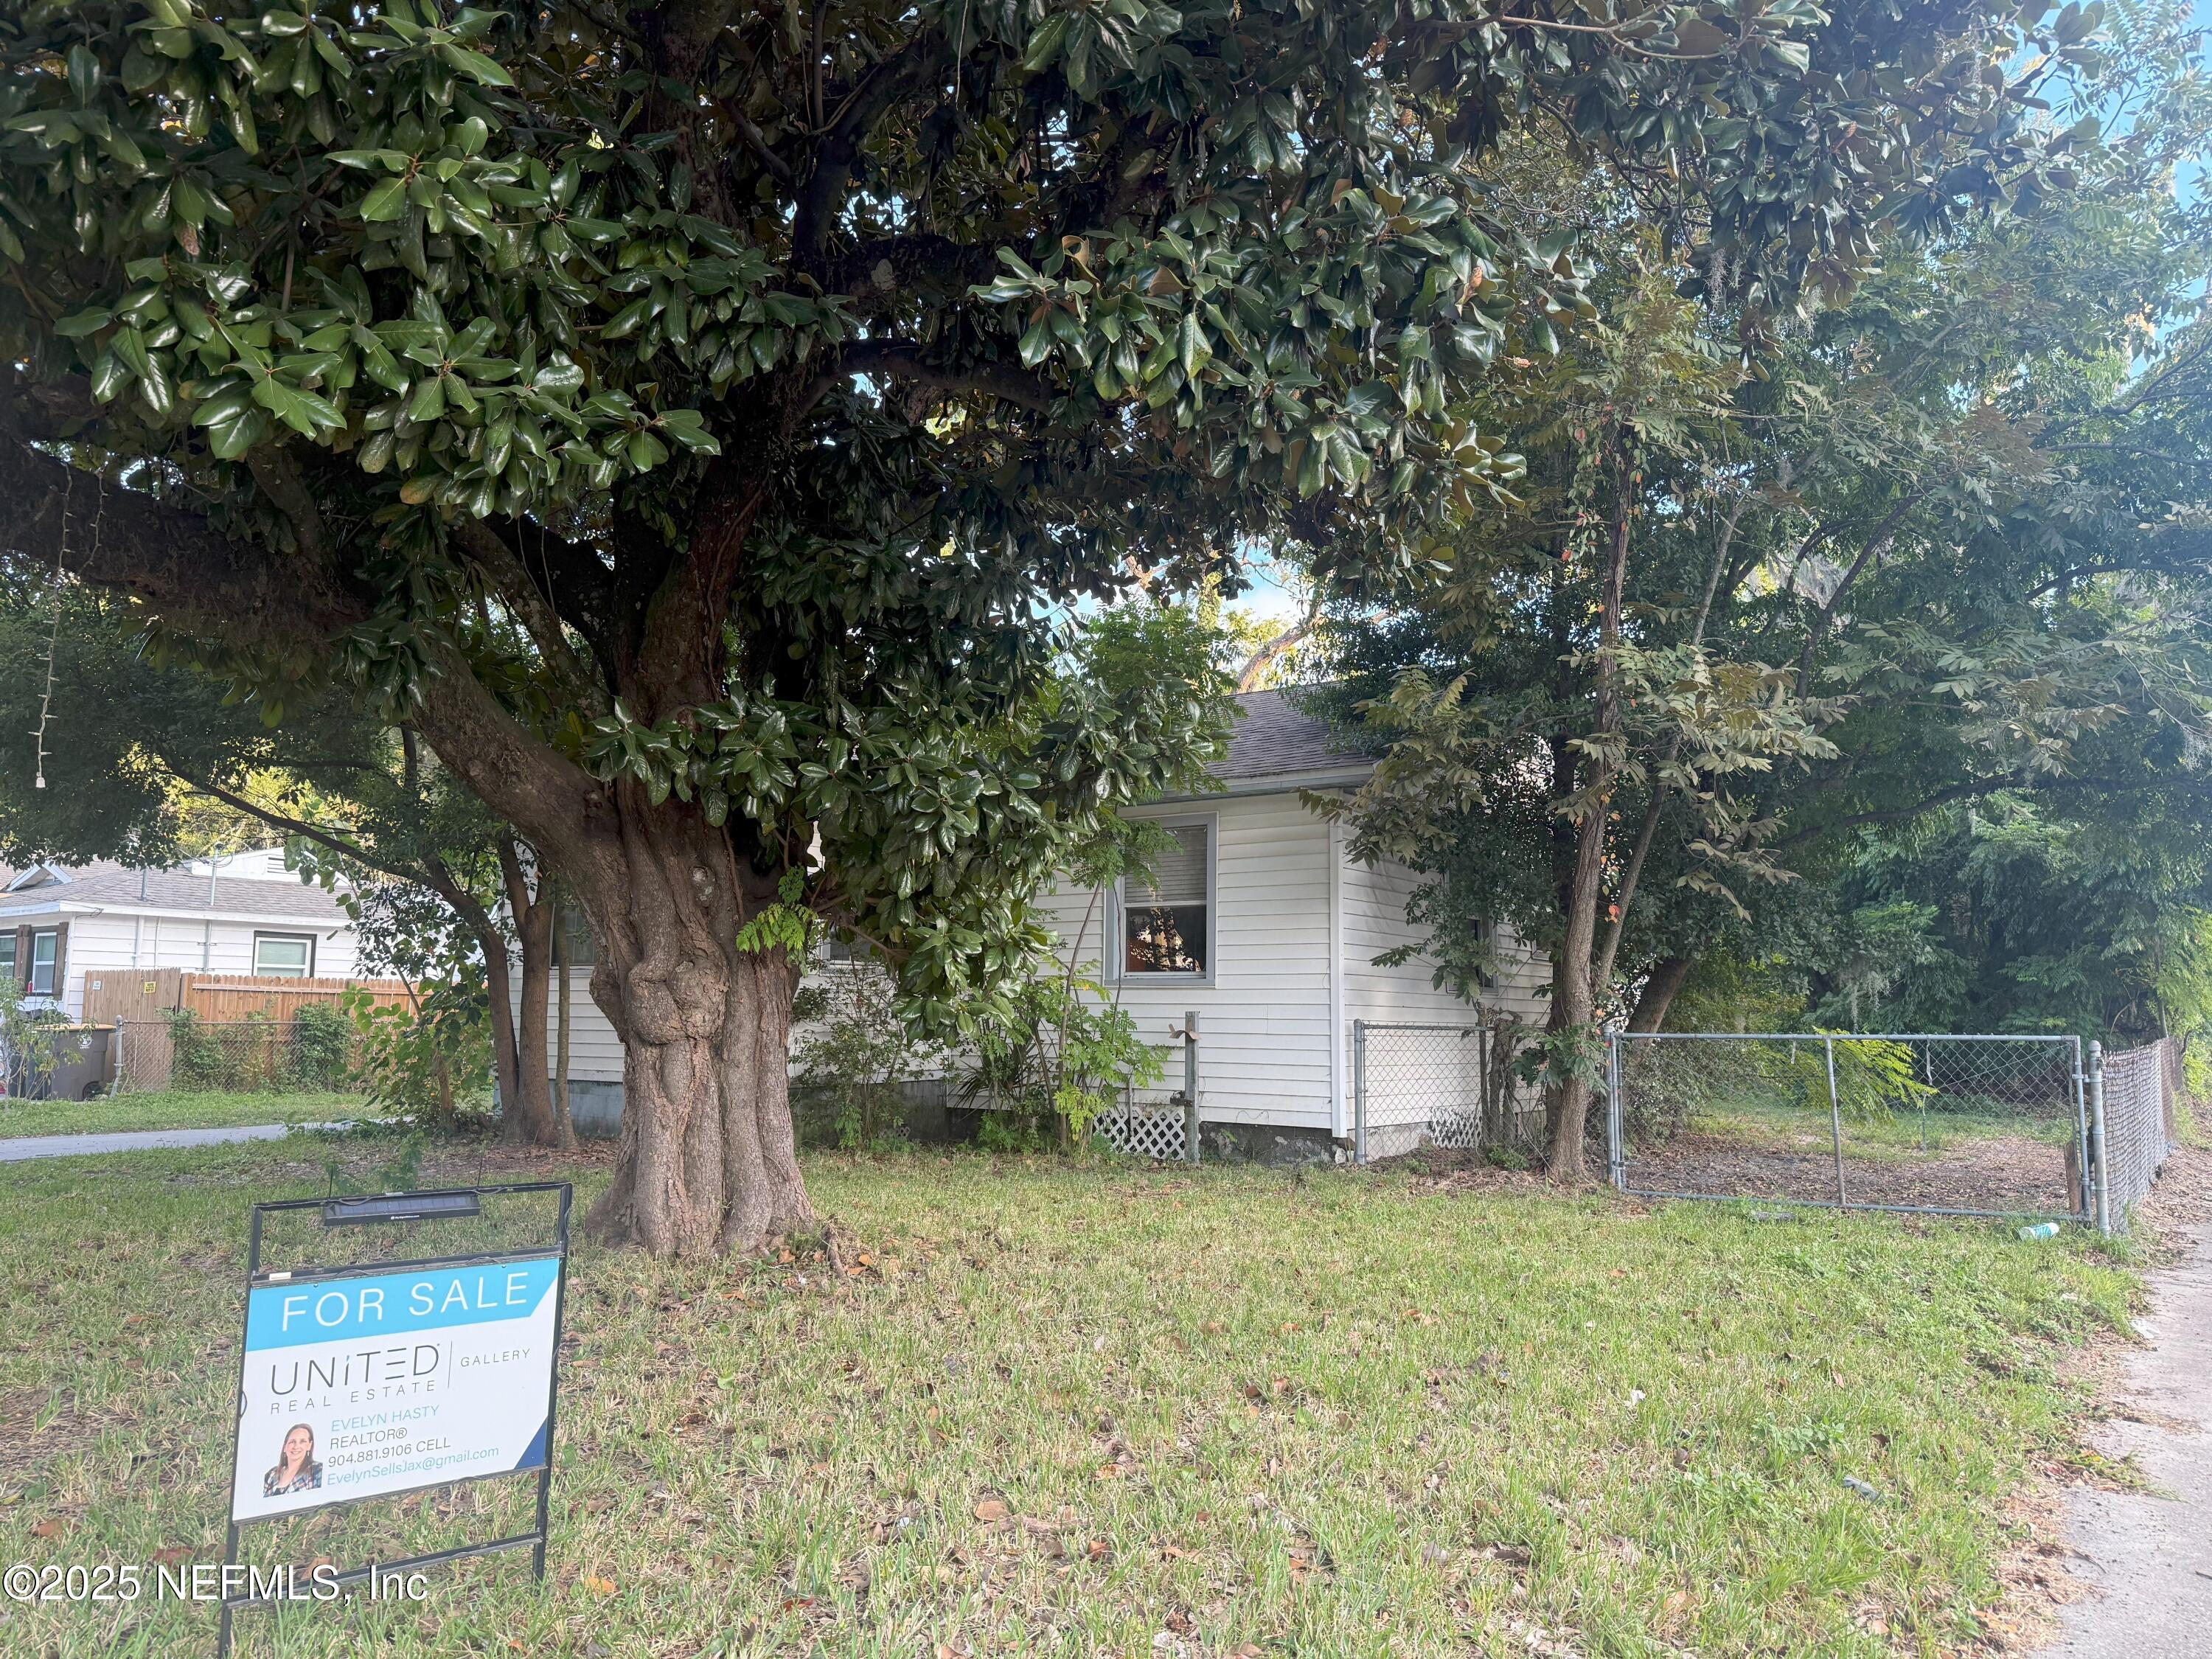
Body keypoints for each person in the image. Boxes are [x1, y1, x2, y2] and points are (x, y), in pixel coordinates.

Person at [262, 1422, 321, 1496]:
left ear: (310, 1445)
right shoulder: (271, 1474)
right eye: (292, 1442)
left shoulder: (317, 1470)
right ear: (285, 1447)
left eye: (302, 1441)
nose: (296, 1446)